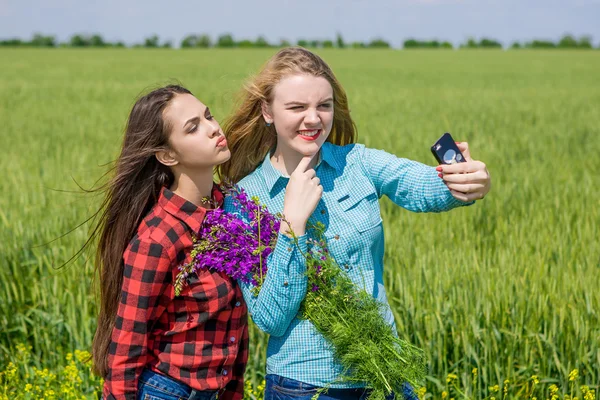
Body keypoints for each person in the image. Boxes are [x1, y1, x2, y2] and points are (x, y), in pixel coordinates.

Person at [219, 47, 491, 400]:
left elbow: (422, 185)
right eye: (297, 107)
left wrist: (463, 183)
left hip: (384, 373)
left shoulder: (358, 163)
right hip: (303, 386)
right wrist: (292, 225)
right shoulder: (243, 200)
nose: (313, 119)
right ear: (267, 111)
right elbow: (270, 317)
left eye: (324, 105)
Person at [90, 85, 248, 400]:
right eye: (194, 127)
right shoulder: (158, 239)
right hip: (167, 391)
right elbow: (127, 348)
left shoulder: (231, 210)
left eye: (208, 115)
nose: (213, 128)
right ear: (167, 155)